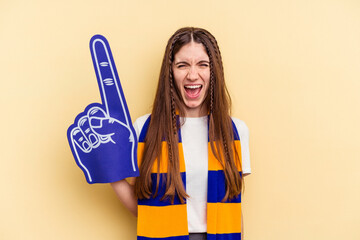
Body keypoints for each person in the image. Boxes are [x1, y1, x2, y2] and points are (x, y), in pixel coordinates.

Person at [110, 27, 251, 240]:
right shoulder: (144, 130)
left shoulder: (235, 131)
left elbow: (233, 208)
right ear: (170, 71)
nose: (192, 74)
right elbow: (145, 211)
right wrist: (109, 169)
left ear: (214, 71)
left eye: (203, 64)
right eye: (182, 65)